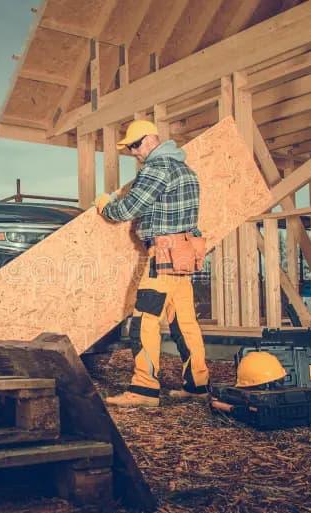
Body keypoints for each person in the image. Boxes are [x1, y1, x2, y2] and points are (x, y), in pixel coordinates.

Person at [95, 120, 210, 407]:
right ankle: (198, 384)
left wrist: (104, 205)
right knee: (185, 322)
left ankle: (144, 389)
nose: (134, 152)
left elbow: (127, 209)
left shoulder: (158, 168)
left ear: (150, 140)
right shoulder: (186, 169)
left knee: (144, 319)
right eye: (130, 147)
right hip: (183, 258)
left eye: (135, 145)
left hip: (163, 258)